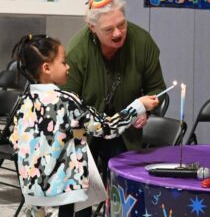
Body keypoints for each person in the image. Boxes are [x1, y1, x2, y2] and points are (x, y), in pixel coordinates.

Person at [9, 34, 159, 217]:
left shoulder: (23, 103)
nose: (68, 67)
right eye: (64, 62)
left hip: (34, 192)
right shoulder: (66, 101)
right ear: (47, 68)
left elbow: (16, 142)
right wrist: (139, 106)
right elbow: (107, 127)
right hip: (65, 194)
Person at [62, 0, 166, 183]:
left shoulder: (142, 42)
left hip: (125, 132)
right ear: (92, 27)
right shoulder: (77, 51)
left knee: (124, 189)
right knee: (82, 197)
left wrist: (146, 111)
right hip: (84, 133)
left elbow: (159, 90)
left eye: (122, 25)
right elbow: (67, 105)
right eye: (109, 29)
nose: (118, 33)